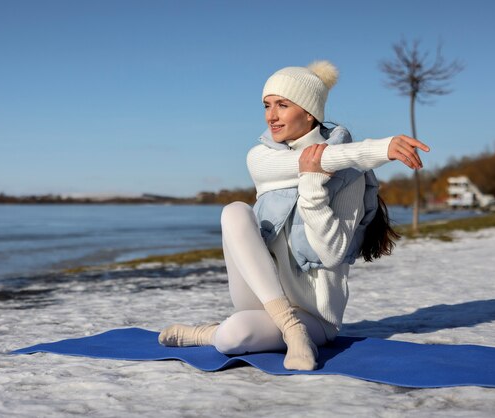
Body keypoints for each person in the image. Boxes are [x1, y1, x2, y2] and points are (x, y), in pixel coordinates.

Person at [158, 61, 429, 370]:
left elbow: (330, 254)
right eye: (267, 105)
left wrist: (313, 184)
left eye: (282, 105)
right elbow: (323, 158)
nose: (270, 116)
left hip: (315, 317)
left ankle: (208, 333)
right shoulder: (261, 157)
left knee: (230, 337)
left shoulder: (352, 178)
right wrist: (380, 149)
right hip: (261, 297)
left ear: (309, 112)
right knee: (234, 211)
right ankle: (289, 327)